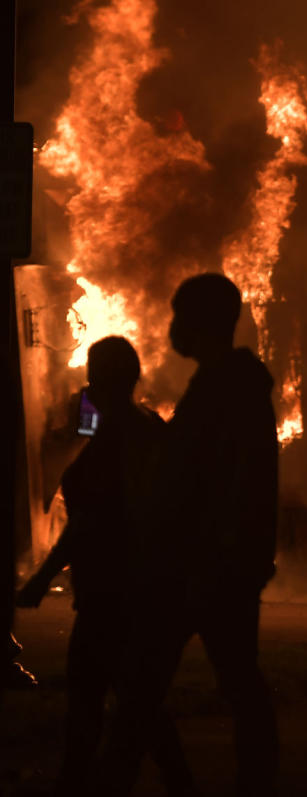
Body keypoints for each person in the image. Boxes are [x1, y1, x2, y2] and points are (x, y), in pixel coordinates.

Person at [98, 274, 278, 796]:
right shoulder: (222, 386)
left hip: (201, 570)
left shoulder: (229, 390)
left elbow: (234, 483)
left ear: (201, 323)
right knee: (213, 683)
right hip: (202, 567)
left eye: (179, 315)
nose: (172, 326)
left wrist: (224, 559)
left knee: (152, 686)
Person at [17, 337, 195, 796]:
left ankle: (78, 783)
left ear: (105, 379)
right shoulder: (147, 426)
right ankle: (171, 781)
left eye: (94, 373)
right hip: (138, 587)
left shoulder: (118, 435)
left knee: (94, 700)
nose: (88, 382)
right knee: (134, 700)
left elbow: (88, 523)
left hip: (110, 592)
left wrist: (42, 577)